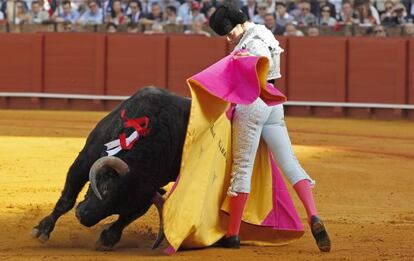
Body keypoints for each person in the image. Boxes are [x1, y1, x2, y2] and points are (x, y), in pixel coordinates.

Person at [209, 4, 331, 252]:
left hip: (253, 103)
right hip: (273, 105)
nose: (228, 37)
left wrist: (248, 70)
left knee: (242, 168)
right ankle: (313, 215)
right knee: (290, 162)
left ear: (240, 22)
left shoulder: (251, 43)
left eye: (229, 31)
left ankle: (232, 234)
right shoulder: (263, 31)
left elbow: (260, 61)